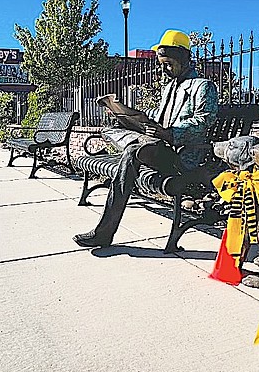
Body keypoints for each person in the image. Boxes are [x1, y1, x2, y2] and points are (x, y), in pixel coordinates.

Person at [73, 29, 219, 248]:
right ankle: (105, 231)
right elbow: (156, 119)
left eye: (168, 63)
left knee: (132, 153)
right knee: (119, 136)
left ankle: (104, 232)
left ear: (184, 58)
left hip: (183, 156)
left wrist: (169, 133)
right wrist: (125, 115)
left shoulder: (202, 87)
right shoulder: (169, 87)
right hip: (162, 148)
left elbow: (204, 121)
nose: (163, 68)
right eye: (161, 63)